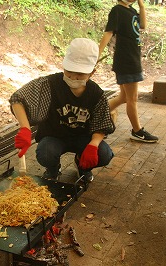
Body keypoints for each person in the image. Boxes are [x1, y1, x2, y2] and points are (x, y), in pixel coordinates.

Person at [9, 38, 115, 182]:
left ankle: (83, 165)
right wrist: (25, 128)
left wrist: (93, 145)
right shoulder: (50, 84)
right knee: (45, 153)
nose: (73, 77)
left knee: (104, 154)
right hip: (55, 136)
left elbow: (102, 123)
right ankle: (53, 169)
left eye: (80, 74)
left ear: (92, 73)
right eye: (69, 72)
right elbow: (18, 99)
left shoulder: (96, 93)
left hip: (83, 137)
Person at [98, 0, 159, 143]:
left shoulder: (131, 10)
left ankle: (97, 118)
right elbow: (108, 32)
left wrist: (142, 6)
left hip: (132, 58)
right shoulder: (117, 10)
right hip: (126, 60)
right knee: (133, 99)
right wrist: (97, 54)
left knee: (123, 98)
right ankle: (137, 131)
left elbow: (143, 25)